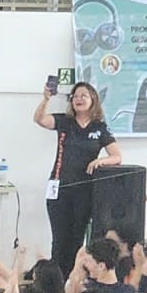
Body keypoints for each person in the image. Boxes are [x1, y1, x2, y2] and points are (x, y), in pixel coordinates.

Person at [34, 80, 122, 272]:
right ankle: (56, 280)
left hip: (84, 191)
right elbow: (40, 119)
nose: (79, 99)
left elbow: (117, 156)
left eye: (84, 95)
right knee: (59, 240)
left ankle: (72, 279)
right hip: (59, 188)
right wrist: (46, 99)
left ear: (93, 100)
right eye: (75, 96)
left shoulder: (99, 127)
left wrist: (100, 161)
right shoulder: (65, 122)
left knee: (76, 240)